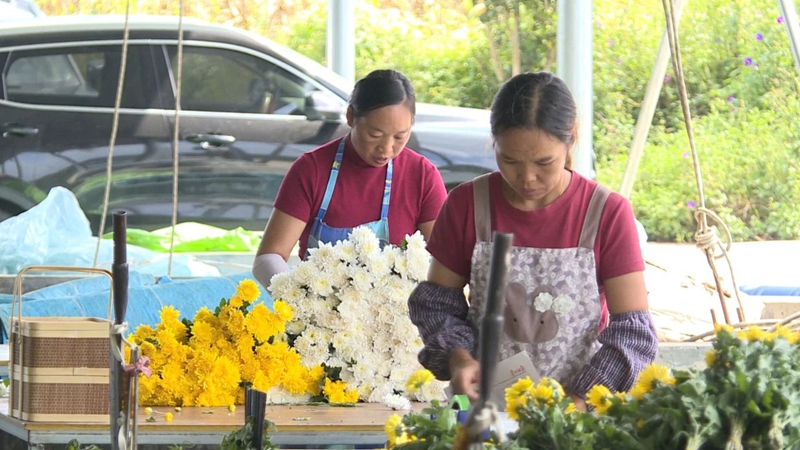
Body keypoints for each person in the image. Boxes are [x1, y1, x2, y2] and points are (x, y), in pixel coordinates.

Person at [408, 72, 658, 410]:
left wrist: (580, 402)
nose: (527, 178)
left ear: (571, 139)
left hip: (578, 414)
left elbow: (632, 332)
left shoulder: (606, 213)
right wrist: (459, 360)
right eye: (509, 160)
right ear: (493, 142)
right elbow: (437, 304)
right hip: (483, 407)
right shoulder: (469, 204)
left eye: (544, 163)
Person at [252, 69, 447, 288]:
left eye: (400, 136)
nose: (387, 148)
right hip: (320, 316)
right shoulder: (311, 170)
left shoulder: (422, 176)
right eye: (374, 135)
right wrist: (298, 296)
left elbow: (445, 262)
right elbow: (269, 256)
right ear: (351, 116)